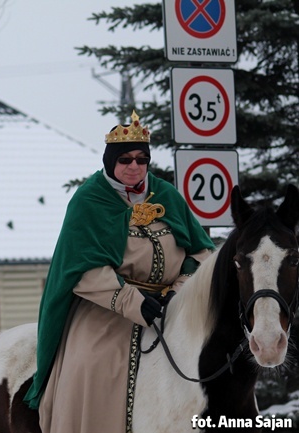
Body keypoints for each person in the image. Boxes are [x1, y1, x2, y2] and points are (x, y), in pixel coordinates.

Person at [23, 111, 215, 433]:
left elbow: (200, 251)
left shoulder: (166, 195)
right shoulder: (89, 200)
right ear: (110, 160)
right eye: (125, 159)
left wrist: (182, 288)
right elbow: (80, 269)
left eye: (142, 159)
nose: (134, 167)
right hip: (108, 311)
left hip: (173, 306)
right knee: (95, 365)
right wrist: (133, 302)